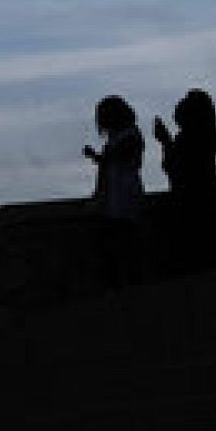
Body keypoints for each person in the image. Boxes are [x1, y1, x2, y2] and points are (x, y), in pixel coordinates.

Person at [154, 88, 216, 273]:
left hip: (192, 199)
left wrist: (165, 141)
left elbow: (174, 167)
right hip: (208, 195)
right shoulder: (206, 136)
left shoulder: (189, 138)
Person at [83, 95, 145, 289]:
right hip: (113, 204)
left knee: (124, 255)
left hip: (124, 202)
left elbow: (117, 157)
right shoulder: (120, 138)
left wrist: (98, 156)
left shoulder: (130, 136)